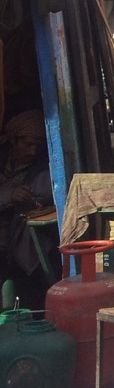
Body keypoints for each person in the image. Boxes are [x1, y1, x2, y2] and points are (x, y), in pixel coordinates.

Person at [0, 110, 55, 297]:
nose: (32, 151)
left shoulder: (42, 170)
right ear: (13, 141)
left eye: (37, 145)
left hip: (19, 249)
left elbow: (46, 195)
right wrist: (9, 195)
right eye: (28, 144)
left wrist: (31, 200)